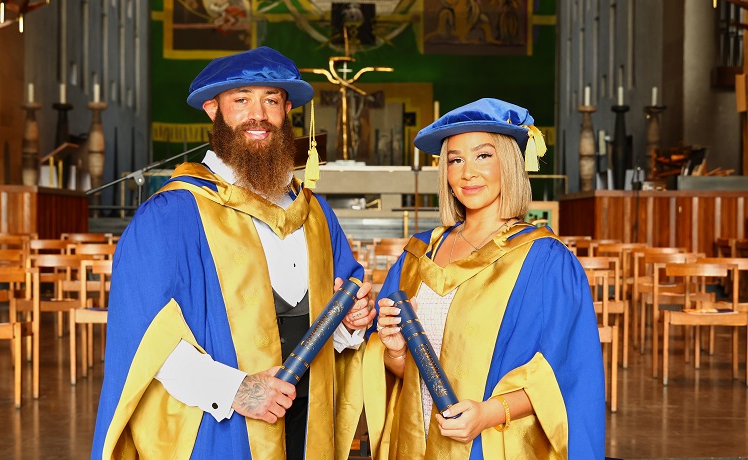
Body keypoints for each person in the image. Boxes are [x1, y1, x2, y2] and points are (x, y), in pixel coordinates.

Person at [92, 46, 376, 459]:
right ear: (213, 109)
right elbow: (142, 336)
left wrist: (351, 323)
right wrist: (234, 390)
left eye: (271, 100)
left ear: (285, 111)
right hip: (220, 424)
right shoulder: (173, 213)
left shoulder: (314, 213)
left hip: (309, 415)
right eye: (242, 100)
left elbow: (341, 308)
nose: (258, 114)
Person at [363, 98, 605, 459]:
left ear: (508, 162)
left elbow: (568, 374)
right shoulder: (418, 256)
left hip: (493, 444)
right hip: (414, 443)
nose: (467, 173)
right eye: (455, 160)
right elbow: (405, 373)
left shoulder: (543, 259)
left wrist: (489, 413)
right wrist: (395, 351)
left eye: (483, 156)